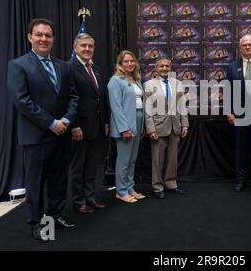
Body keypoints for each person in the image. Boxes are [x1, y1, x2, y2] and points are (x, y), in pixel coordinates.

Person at [7, 18, 79, 242]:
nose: (44, 39)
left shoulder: (63, 66)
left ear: (53, 39)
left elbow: (73, 96)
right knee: (36, 182)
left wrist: (66, 120)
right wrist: (51, 123)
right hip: (37, 137)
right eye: (39, 35)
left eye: (48, 35)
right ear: (30, 37)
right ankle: (36, 223)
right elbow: (23, 101)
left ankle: (55, 216)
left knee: (59, 179)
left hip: (62, 134)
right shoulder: (18, 65)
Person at [68, 33, 109, 214]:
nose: (87, 49)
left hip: (97, 126)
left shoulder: (97, 70)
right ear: (75, 48)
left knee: (92, 164)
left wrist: (105, 122)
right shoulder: (69, 68)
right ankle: (78, 201)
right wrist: (74, 125)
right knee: (78, 167)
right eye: (83, 46)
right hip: (80, 128)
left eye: (90, 46)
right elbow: (69, 99)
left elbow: (101, 99)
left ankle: (90, 197)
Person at [226, 34, 251, 194]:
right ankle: (241, 179)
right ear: (240, 48)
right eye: (244, 45)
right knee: (240, 148)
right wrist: (229, 112)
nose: (248, 47)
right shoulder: (232, 66)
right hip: (239, 114)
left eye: (250, 44)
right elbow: (227, 91)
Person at [144, 57, 189, 199]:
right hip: (158, 127)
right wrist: (150, 129)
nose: (164, 68)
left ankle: (171, 184)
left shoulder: (178, 84)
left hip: (175, 126)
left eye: (167, 66)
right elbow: (147, 109)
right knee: (157, 160)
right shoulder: (148, 85)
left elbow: (182, 106)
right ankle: (157, 187)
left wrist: (185, 124)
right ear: (156, 68)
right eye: (161, 66)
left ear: (170, 68)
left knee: (172, 159)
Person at [108, 50, 146, 203]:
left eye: (132, 61)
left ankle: (130, 188)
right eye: (126, 61)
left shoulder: (136, 80)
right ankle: (121, 191)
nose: (129, 64)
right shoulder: (115, 81)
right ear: (120, 64)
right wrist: (124, 128)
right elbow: (116, 107)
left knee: (132, 159)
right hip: (125, 124)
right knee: (123, 160)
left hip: (138, 121)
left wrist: (141, 125)